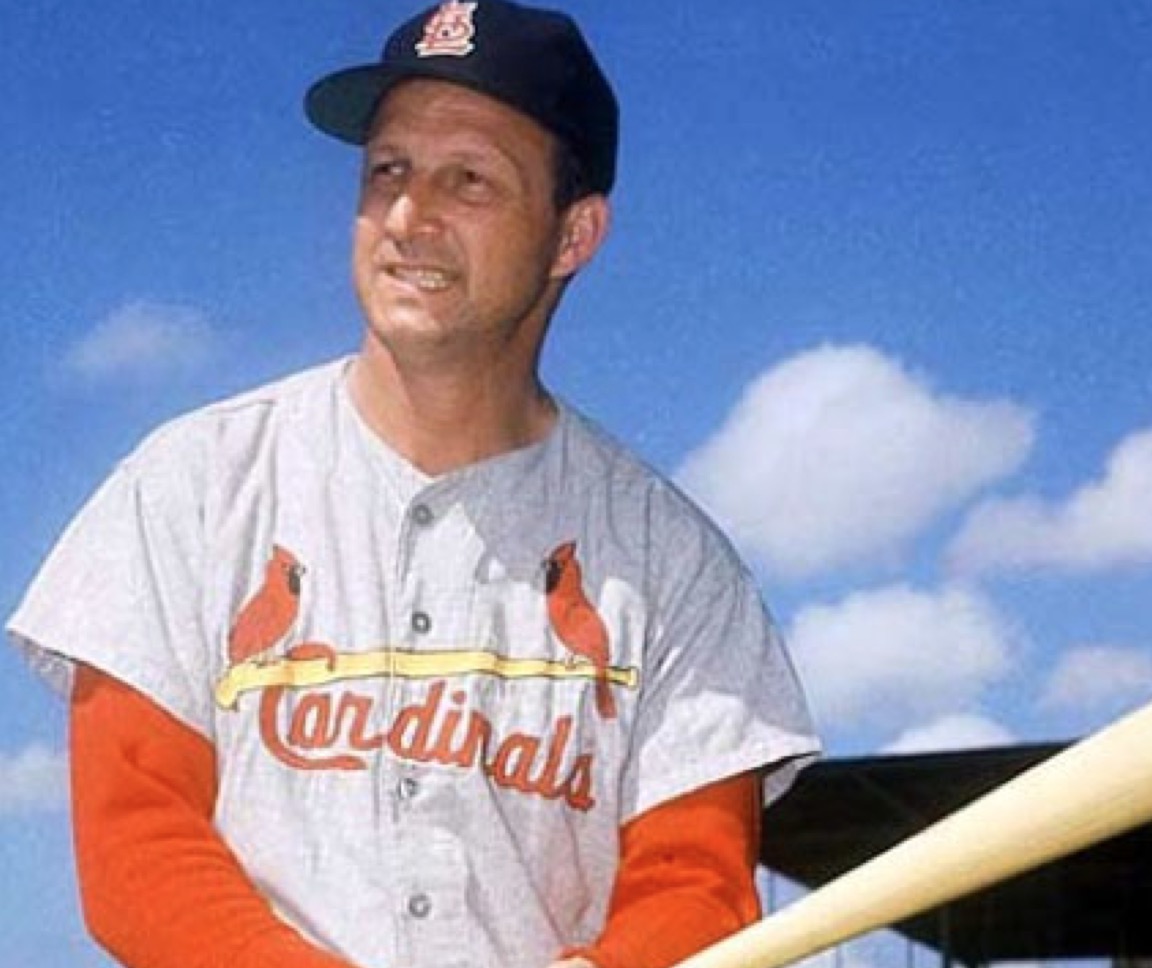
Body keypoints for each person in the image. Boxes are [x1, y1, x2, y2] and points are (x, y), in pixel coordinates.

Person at [7, 2, 819, 967]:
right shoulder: (191, 485)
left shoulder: (672, 562)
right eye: (387, 171)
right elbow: (138, 843)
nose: (406, 216)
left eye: (468, 179)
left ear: (573, 235)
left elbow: (698, 883)